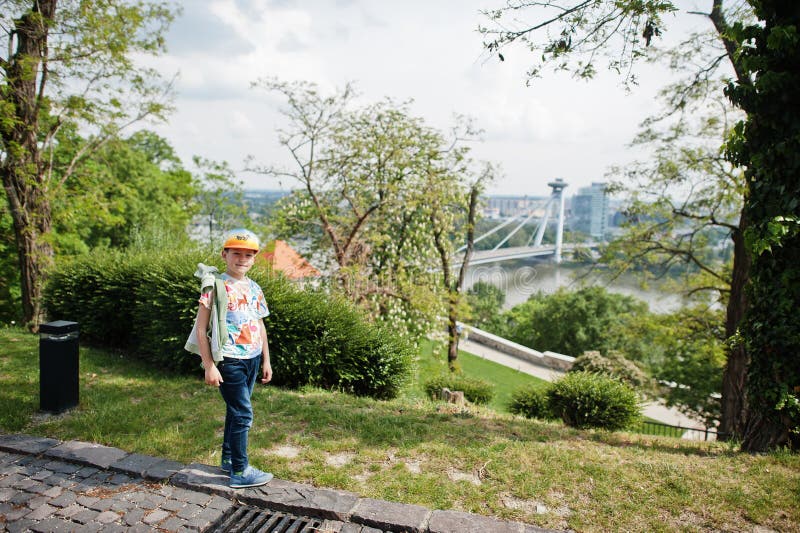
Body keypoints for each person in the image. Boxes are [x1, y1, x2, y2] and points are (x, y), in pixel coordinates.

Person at [192, 228, 274, 489]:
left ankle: (228, 459)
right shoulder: (215, 287)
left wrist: (266, 360)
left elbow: (259, 326)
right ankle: (240, 471)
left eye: (248, 254)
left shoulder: (255, 288)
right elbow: (200, 329)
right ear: (224, 254)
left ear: (254, 258)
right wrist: (209, 366)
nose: (242, 258)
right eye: (236, 253)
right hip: (230, 360)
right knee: (243, 414)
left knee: (236, 410)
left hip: (252, 358)